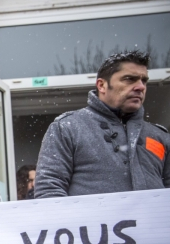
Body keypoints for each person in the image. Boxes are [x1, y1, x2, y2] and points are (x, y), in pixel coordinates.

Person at [35, 50, 170, 198]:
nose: (140, 87)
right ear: (102, 85)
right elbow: (49, 191)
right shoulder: (67, 128)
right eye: (129, 79)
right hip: (90, 221)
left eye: (144, 80)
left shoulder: (160, 136)